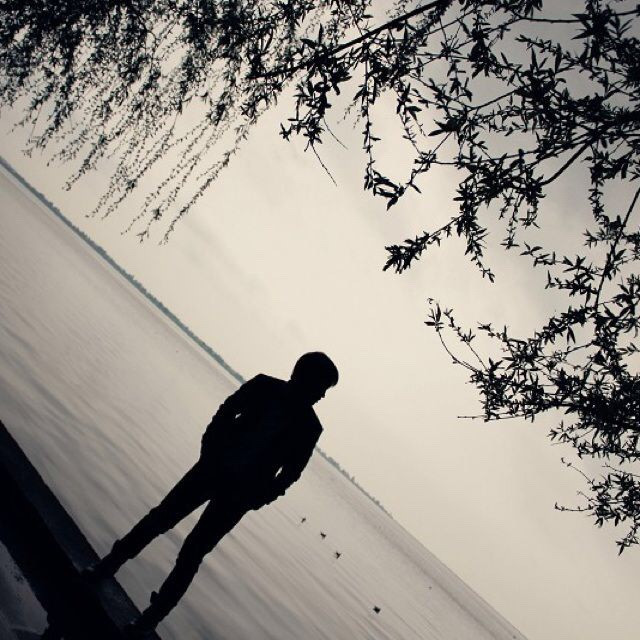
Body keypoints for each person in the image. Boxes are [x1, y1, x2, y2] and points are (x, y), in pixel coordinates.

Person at [86, 352, 338, 637]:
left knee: (192, 552)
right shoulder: (264, 386)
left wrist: (258, 499)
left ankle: (150, 619)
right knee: (159, 520)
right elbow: (227, 411)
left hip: (238, 498)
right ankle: (107, 566)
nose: (322, 396)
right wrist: (209, 449)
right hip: (210, 469)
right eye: (322, 387)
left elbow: (291, 474)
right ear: (304, 377)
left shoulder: (310, 428)